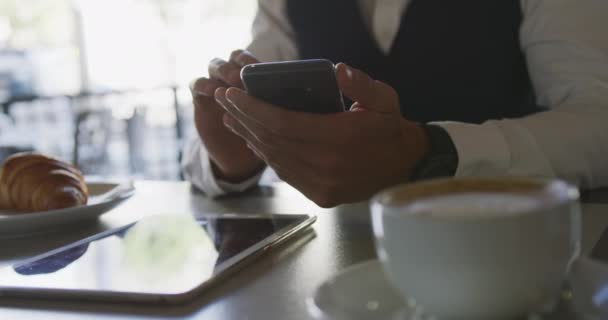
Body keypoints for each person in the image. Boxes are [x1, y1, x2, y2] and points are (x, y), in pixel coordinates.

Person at [183, 0, 608, 208]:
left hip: (513, 252)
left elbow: (599, 122)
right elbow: (206, 149)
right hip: (340, 275)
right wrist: (229, 156)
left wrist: (430, 154)